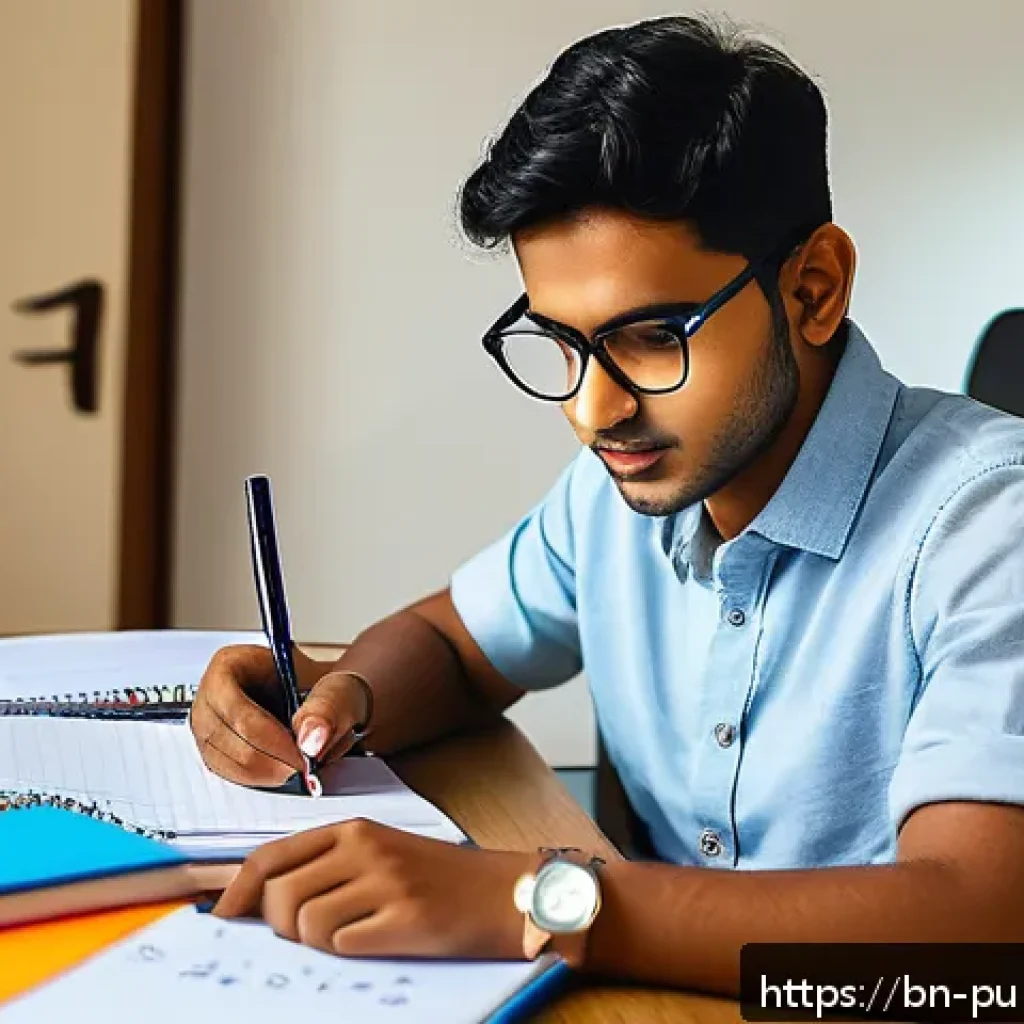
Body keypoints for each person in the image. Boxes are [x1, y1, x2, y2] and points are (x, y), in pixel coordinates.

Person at [190, 14, 1024, 995]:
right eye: (563, 343)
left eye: (651, 336)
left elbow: (979, 924)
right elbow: (455, 646)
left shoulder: (984, 527)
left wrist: (534, 900)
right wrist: (343, 699)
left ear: (811, 289)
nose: (594, 409)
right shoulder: (617, 492)